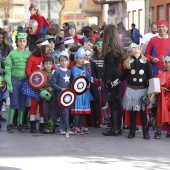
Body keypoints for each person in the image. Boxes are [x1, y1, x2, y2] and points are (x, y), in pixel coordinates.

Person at [113, 43, 153, 139]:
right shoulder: (128, 63)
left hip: (142, 90)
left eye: (137, 47)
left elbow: (150, 77)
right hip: (131, 89)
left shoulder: (145, 61)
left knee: (143, 111)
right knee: (132, 111)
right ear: (130, 52)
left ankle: (145, 132)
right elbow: (123, 76)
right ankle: (132, 131)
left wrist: (150, 92)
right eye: (134, 48)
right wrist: (113, 83)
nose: (137, 48)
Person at [22, 38, 51, 133]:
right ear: (41, 47)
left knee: (43, 106)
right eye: (46, 46)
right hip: (34, 86)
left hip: (45, 86)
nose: (48, 48)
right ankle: (32, 124)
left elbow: (53, 68)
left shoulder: (47, 56)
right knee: (34, 105)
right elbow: (28, 70)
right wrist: (34, 80)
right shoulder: (32, 57)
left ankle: (42, 125)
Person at [102, 24, 125, 136]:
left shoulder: (109, 47)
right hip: (117, 74)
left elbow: (109, 64)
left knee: (112, 100)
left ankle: (115, 128)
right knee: (116, 100)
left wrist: (107, 79)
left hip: (111, 75)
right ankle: (118, 128)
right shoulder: (118, 46)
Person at [5, 32, 31, 133]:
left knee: (22, 104)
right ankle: (10, 124)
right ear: (17, 42)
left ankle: (21, 124)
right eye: (20, 41)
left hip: (25, 81)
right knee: (14, 103)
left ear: (26, 42)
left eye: (24, 41)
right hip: (14, 80)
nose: (22, 43)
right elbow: (8, 70)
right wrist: (9, 84)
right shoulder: (12, 54)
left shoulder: (29, 54)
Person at [71, 47, 101, 134]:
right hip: (77, 93)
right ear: (76, 59)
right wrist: (85, 82)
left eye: (83, 58)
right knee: (77, 110)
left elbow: (89, 77)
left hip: (84, 93)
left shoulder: (84, 69)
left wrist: (97, 80)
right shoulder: (75, 69)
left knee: (82, 110)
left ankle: (81, 125)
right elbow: (76, 80)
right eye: (80, 58)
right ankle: (76, 126)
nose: (82, 60)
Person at [51, 50, 74, 135]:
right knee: (65, 113)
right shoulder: (57, 72)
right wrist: (60, 89)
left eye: (65, 60)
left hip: (68, 96)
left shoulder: (69, 72)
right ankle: (67, 129)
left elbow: (72, 83)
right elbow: (53, 83)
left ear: (68, 61)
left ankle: (61, 128)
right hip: (60, 96)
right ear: (59, 61)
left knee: (64, 112)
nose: (63, 62)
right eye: (61, 60)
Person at [154, 54, 170, 139]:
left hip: (169, 96)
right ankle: (158, 131)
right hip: (161, 97)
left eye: (169, 62)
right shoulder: (160, 73)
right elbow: (155, 83)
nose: (167, 64)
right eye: (166, 62)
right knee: (160, 113)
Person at [40, 57, 57, 134]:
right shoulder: (41, 73)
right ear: (43, 64)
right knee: (45, 111)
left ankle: (52, 126)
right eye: (46, 64)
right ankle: (47, 126)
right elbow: (38, 84)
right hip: (45, 96)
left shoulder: (55, 73)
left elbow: (58, 82)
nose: (48, 65)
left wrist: (53, 88)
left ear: (53, 65)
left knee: (53, 111)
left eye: (50, 64)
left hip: (53, 94)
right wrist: (42, 90)